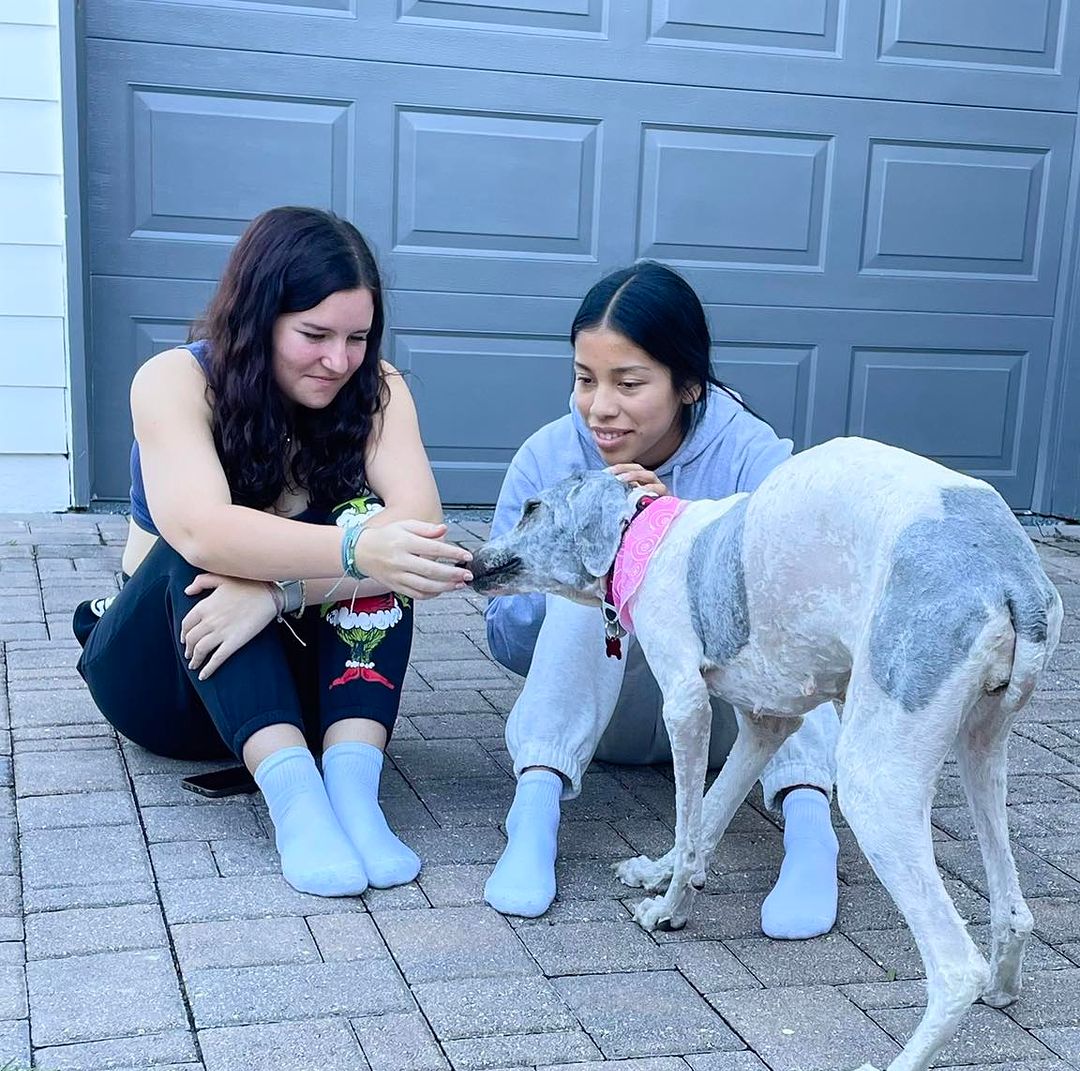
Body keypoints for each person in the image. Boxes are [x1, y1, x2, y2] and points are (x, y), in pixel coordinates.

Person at [74, 206, 473, 898]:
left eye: (357, 336)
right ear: (258, 318)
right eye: (314, 334)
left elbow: (418, 536)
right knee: (218, 549)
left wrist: (280, 592)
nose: (339, 361)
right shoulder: (174, 380)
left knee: (377, 532)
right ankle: (296, 802)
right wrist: (354, 550)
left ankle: (352, 791)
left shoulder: (376, 390)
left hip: (300, 684)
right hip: (163, 678)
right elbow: (201, 531)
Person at [484, 261, 840, 938]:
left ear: (688, 384)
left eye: (629, 383)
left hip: (724, 726)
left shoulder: (748, 453)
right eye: (585, 379)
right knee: (592, 578)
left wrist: (668, 535)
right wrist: (593, 570)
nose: (599, 407)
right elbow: (503, 635)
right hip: (606, 724)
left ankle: (810, 828)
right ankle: (533, 815)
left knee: (796, 622)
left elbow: (806, 594)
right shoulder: (550, 457)